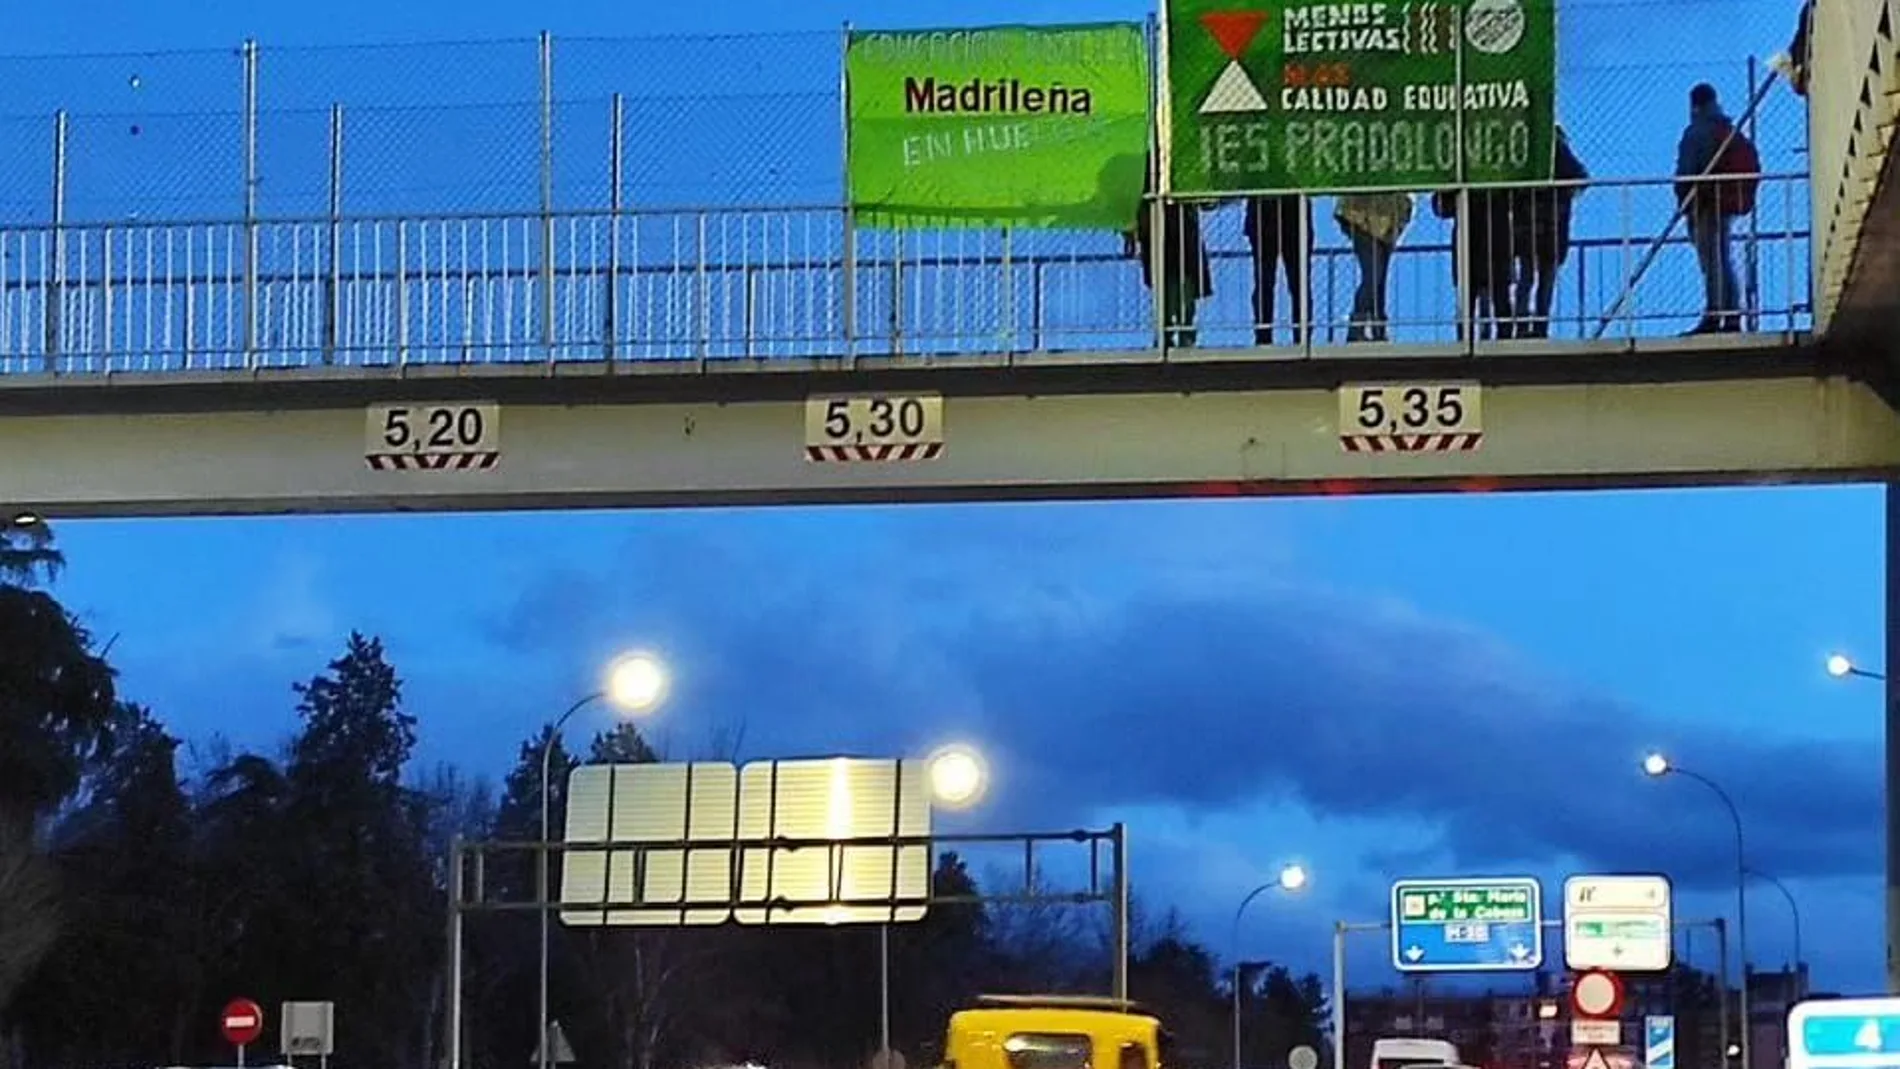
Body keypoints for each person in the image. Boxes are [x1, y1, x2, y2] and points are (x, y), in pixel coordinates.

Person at [1674, 82, 1744, 333]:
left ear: (1694, 105)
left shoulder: (1696, 132)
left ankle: (1714, 314)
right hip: (1724, 202)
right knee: (1723, 259)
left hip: (1703, 204)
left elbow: (1686, 172)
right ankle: (1732, 314)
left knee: (1711, 261)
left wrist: (1684, 203)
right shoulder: (1726, 128)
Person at [1509, 125, 1589, 339]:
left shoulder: (1526, 147)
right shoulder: (1559, 148)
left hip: (1529, 222)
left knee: (1528, 275)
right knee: (1544, 277)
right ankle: (1539, 324)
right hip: (1553, 224)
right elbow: (1581, 178)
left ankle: (1523, 323)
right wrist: (1563, 194)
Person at [1125, 164, 1211, 347]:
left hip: (1180, 229)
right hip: (1158, 230)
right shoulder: (1147, 164)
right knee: (1163, 284)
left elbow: (1204, 200)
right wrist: (1131, 231)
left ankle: (1182, 331)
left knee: (1182, 284)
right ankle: (1167, 332)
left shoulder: (1183, 161)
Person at [1432, 187, 1515, 341]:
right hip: (1474, 247)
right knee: (1470, 301)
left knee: (1498, 299)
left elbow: (1441, 207)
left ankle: (1502, 339)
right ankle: (1467, 341)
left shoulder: (1500, 183)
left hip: (1491, 247)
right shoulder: (1464, 184)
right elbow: (1441, 207)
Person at [1334, 191, 1414, 342]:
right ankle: (1358, 326)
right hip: (1364, 219)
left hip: (1385, 223)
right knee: (1374, 276)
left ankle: (1377, 328)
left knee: (1378, 280)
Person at [1244, 193, 1313, 346]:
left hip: (1292, 215)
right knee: (1267, 282)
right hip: (1270, 216)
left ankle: (1300, 334)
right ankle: (1265, 334)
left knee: (1296, 283)